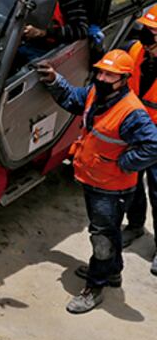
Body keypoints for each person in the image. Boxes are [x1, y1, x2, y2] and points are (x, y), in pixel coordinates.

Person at [37, 50, 157, 313]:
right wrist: (54, 80)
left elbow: (153, 146)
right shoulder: (96, 93)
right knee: (107, 230)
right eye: (101, 71)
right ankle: (112, 272)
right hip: (94, 178)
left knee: (101, 238)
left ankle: (95, 286)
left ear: (124, 79)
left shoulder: (132, 112)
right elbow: (73, 98)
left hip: (112, 187)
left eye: (109, 75)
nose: (102, 77)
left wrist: (122, 165)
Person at [122, 7, 157, 261]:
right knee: (132, 185)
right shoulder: (136, 50)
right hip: (135, 130)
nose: (147, 36)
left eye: (154, 33)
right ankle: (135, 226)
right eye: (146, 29)